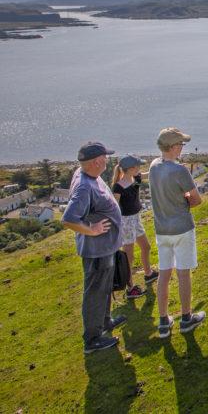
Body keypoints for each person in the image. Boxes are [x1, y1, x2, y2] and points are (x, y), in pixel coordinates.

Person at [62, 141, 127, 354]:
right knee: (95, 292)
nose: (107, 160)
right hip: (97, 250)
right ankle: (92, 339)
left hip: (105, 247)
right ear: (97, 161)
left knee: (105, 287)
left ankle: (105, 321)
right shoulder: (84, 186)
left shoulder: (88, 175)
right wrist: (93, 229)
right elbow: (69, 219)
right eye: (105, 157)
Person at [149, 127, 205, 338]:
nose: (183, 147)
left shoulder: (154, 166)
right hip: (181, 227)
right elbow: (196, 200)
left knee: (164, 273)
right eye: (181, 144)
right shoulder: (180, 171)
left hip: (161, 228)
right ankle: (186, 318)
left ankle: (163, 321)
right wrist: (186, 198)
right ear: (172, 147)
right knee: (183, 273)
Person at [112, 154, 158, 299]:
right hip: (125, 222)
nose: (141, 169)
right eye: (139, 166)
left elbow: (149, 174)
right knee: (129, 257)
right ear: (131, 168)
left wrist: (164, 166)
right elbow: (114, 207)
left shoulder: (136, 178)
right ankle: (130, 288)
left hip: (136, 219)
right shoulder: (118, 186)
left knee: (146, 247)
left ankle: (148, 273)